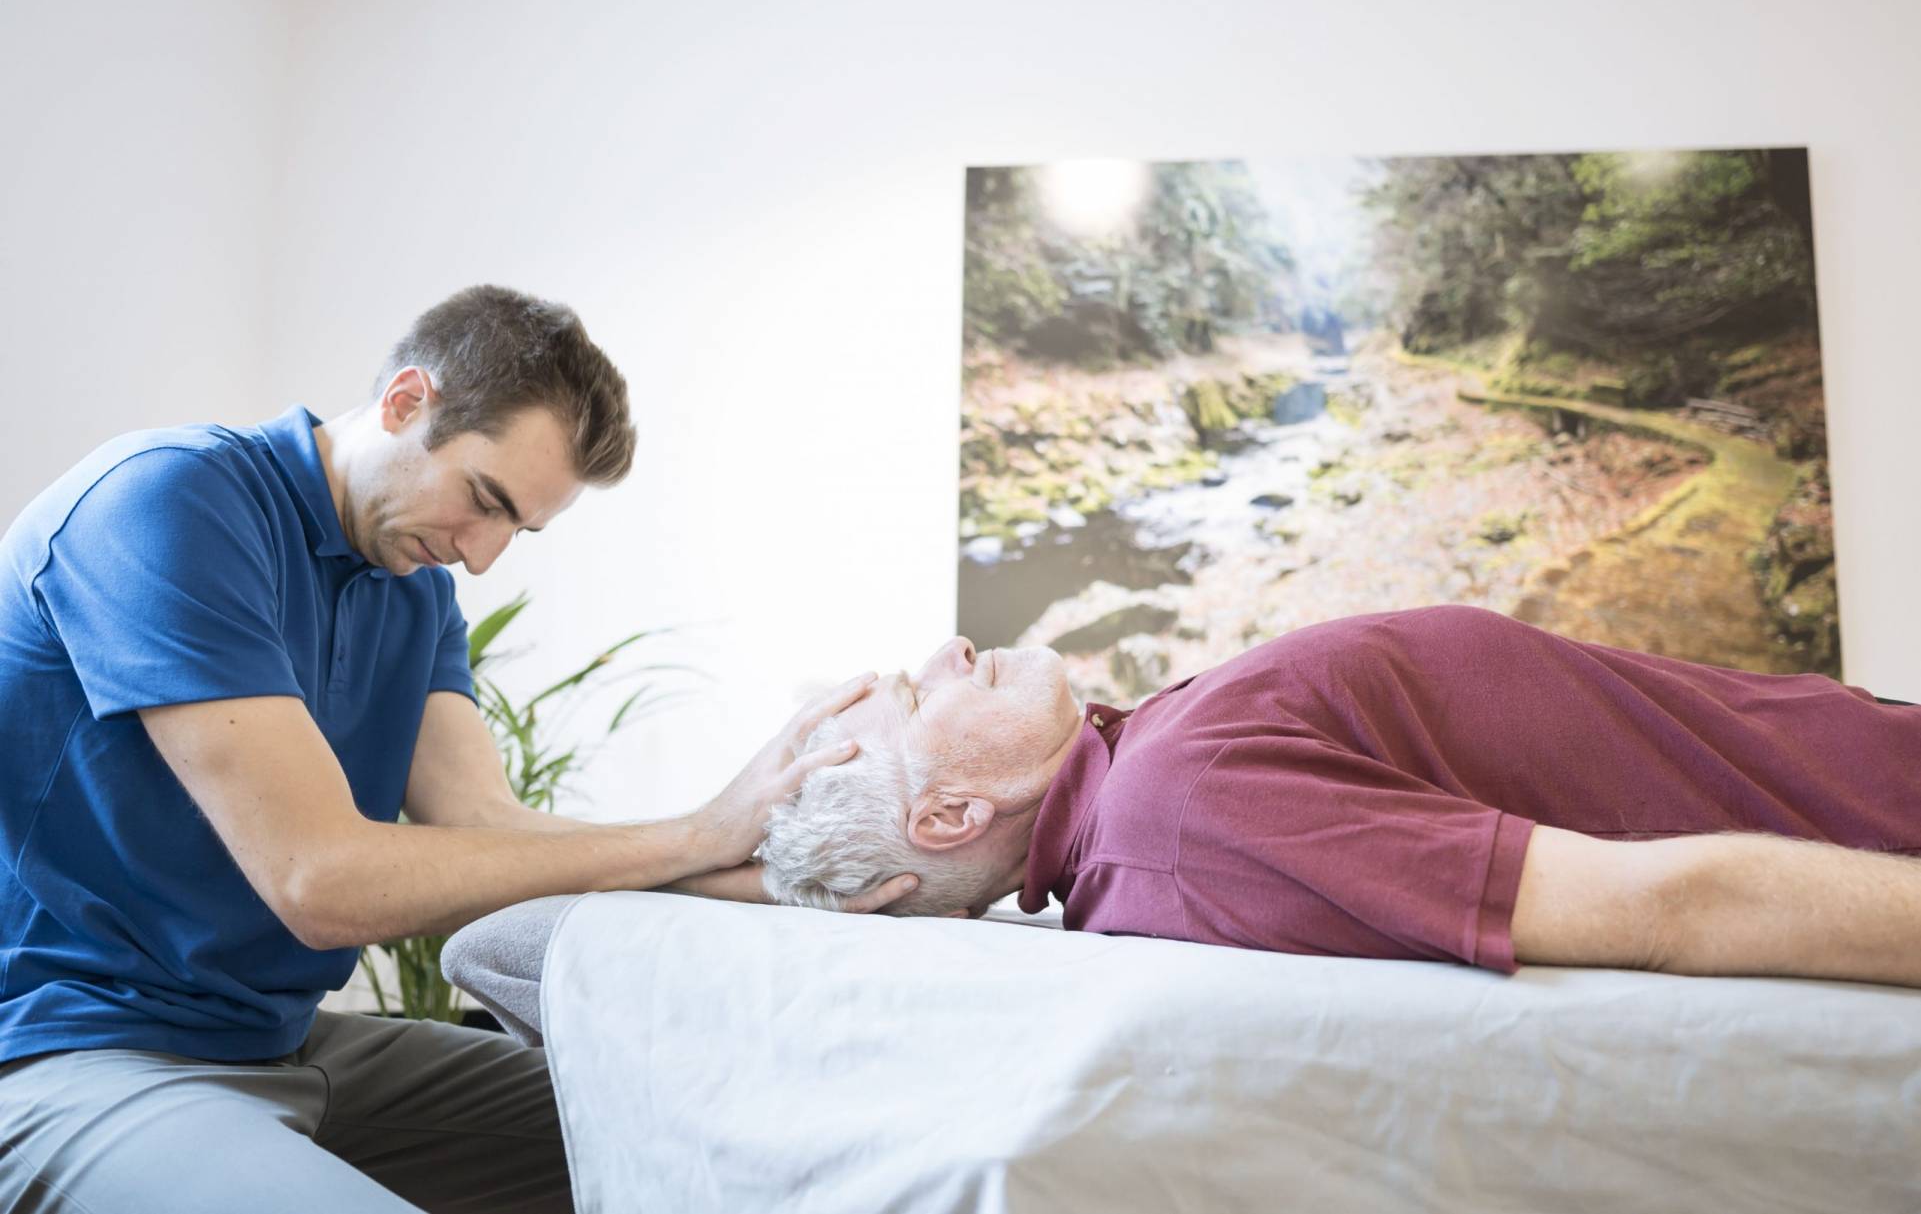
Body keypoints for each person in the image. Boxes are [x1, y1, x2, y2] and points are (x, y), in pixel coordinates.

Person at [0, 285, 914, 1212]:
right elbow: (322, 881)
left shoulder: (414, 587)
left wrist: (779, 878)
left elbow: (486, 827)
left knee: (740, 1141)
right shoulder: (167, 502)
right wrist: (695, 830)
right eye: (484, 501)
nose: (481, 556)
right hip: (76, 1052)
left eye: (517, 529)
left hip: (286, 1042)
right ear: (406, 402)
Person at [755, 604, 1921, 989]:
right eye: (915, 694)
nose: (953, 646)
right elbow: (1672, 909)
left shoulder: (1148, 776)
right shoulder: (1179, 808)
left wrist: (744, 857)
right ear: (953, 817)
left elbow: (870, 879)